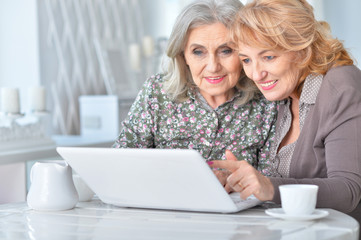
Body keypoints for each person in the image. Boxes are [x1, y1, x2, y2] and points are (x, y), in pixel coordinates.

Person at [210, 0, 361, 221]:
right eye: (246, 60)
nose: (256, 74)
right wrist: (241, 181)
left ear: (302, 49)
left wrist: (269, 187)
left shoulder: (341, 85)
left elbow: (348, 190)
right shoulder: (284, 95)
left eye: (268, 57)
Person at [112, 0, 278, 179]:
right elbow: (119, 164)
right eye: (198, 52)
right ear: (184, 56)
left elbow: (270, 184)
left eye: (226, 51)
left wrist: (240, 182)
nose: (213, 67)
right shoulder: (156, 92)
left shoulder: (266, 102)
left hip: (241, 205)